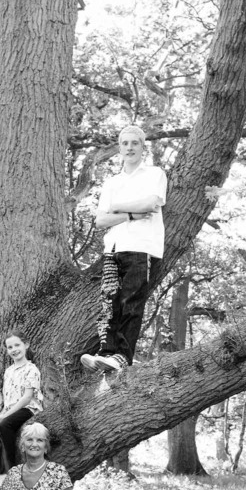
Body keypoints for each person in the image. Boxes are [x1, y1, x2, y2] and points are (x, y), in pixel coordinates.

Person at [80, 125, 168, 372]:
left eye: (135, 143)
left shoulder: (154, 174)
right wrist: (130, 212)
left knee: (131, 301)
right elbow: (100, 221)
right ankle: (106, 354)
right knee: (109, 304)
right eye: (125, 143)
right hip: (113, 247)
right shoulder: (112, 182)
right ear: (119, 148)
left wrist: (115, 208)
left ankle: (122, 357)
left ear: (142, 147)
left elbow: (151, 203)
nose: (129, 148)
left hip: (141, 246)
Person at [0, 332, 43, 467]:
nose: (14, 350)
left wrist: (5, 415)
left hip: (28, 409)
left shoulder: (31, 369)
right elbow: (8, 398)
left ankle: (10, 466)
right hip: (10, 410)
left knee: (5, 424)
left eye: (17, 345)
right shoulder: (8, 371)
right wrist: (2, 413)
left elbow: (27, 398)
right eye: (10, 347)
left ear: (25, 345)